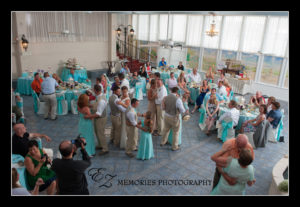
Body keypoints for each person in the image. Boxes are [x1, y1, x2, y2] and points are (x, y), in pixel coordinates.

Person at [160, 87, 187, 151]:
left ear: (171, 91)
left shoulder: (165, 97)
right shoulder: (178, 99)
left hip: (166, 116)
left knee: (165, 130)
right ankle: (174, 147)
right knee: (176, 132)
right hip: (174, 117)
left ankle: (162, 142)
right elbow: (182, 110)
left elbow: (162, 108)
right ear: (177, 92)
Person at [84, 85, 108, 156]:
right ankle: (100, 144)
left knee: (101, 133)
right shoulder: (99, 97)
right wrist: (90, 105)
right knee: (97, 132)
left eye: (94, 90)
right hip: (98, 118)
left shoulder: (101, 101)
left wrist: (89, 116)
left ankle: (105, 148)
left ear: (96, 91)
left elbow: (98, 114)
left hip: (101, 119)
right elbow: (96, 105)